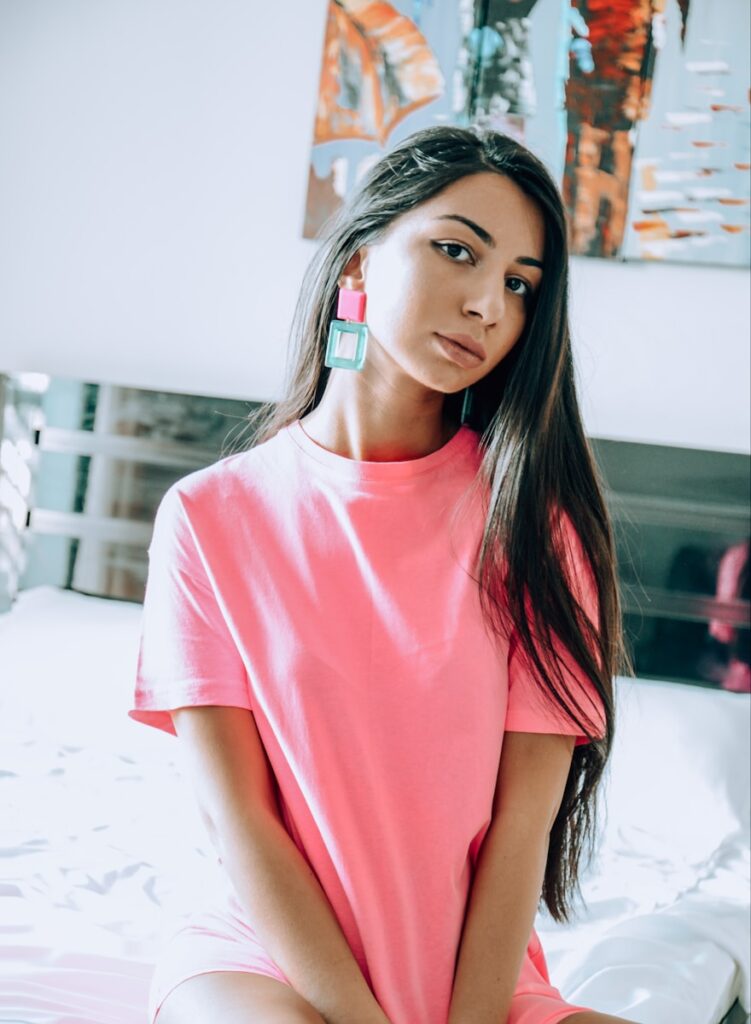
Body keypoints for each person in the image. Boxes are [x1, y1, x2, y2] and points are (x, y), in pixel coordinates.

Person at [129, 125, 637, 1024]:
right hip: (268, 964)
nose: (487, 304)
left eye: (520, 285)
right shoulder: (210, 519)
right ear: (360, 260)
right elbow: (240, 823)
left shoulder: (533, 529)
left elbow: (522, 829)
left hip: (478, 978)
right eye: (455, 251)